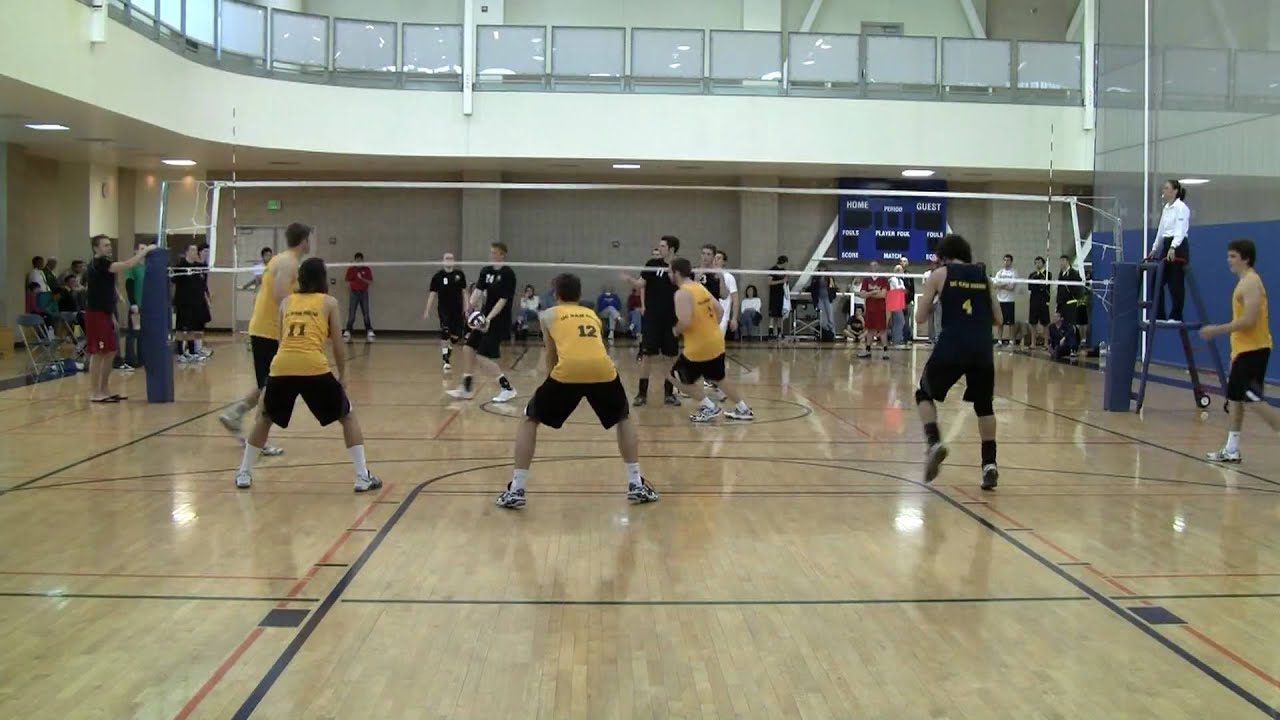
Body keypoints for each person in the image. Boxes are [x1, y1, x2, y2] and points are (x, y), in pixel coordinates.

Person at [495, 273, 657, 509]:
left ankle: (517, 489)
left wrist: (553, 384)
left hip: (568, 370)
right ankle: (635, 484)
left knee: (530, 419)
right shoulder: (592, 314)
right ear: (579, 295)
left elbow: (551, 354)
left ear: (555, 293)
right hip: (603, 369)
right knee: (623, 418)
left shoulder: (547, 315)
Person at [235, 257, 382, 493]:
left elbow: (283, 341)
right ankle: (362, 476)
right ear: (323, 278)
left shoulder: (286, 303)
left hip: (282, 364)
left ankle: (244, 473)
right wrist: (343, 375)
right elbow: (337, 343)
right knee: (348, 416)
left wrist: (272, 379)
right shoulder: (329, 302)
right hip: (313, 366)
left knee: (265, 417)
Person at [914, 234, 1002, 490]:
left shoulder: (940, 274)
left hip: (953, 344)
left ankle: (934, 443)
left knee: (923, 393)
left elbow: (919, 318)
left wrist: (934, 298)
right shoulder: (984, 277)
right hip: (982, 347)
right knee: (984, 406)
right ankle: (990, 464)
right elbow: (998, 319)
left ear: (943, 255)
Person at [219, 222, 311, 455]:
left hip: (265, 330)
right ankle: (255, 441)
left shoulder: (283, 260)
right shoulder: (288, 263)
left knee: (268, 385)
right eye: (308, 239)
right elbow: (281, 297)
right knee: (271, 389)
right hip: (268, 331)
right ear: (303, 240)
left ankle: (235, 414)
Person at [1200, 238, 1277, 464]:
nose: (1229, 261)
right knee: (1235, 399)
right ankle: (1232, 449)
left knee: (1252, 399)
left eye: (1233, 256)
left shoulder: (1251, 283)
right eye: (1228, 256)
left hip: (1255, 350)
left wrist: (1217, 329)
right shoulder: (1243, 282)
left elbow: (1249, 321)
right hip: (1243, 351)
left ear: (1246, 258)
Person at [668, 258, 755, 424]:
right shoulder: (699, 287)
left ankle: (709, 407)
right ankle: (743, 409)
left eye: (670, 271)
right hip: (715, 341)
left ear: (677, 273)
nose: (668, 274)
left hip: (698, 347)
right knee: (718, 378)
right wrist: (708, 329)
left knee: (674, 376)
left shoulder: (681, 293)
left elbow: (684, 321)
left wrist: (673, 331)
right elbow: (720, 311)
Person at [85, 235, 154, 403]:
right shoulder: (98, 264)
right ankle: (95, 392)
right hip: (96, 313)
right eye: (105, 245)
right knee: (99, 353)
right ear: (96, 248)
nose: (109, 247)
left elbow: (108, 288)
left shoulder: (105, 264)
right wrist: (144, 252)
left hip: (105, 312)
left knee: (111, 351)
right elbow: (128, 264)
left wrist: (112, 317)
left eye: (110, 245)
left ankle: (104, 389)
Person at [447, 243, 517, 403]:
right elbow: (478, 291)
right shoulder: (486, 271)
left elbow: (503, 300)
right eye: (491, 252)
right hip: (484, 318)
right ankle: (467, 388)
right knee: (468, 348)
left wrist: (489, 319)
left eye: (495, 253)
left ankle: (507, 388)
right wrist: (469, 309)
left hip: (499, 321)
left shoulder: (508, 274)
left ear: (502, 255)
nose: (491, 255)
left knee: (483, 357)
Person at [625, 236, 681, 407]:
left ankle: (669, 394)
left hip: (672, 319)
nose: (660, 248)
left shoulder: (680, 266)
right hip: (652, 319)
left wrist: (672, 271)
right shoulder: (651, 264)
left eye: (663, 246)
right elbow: (640, 284)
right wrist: (629, 279)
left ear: (671, 249)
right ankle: (641, 394)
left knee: (669, 358)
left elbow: (683, 284)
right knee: (647, 356)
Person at [1152, 179, 1191, 323]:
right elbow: (1161, 230)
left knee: (1176, 282)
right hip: (1167, 244)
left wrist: (1173, 247)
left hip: (1178, 245)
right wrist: (1155, 248)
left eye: (1167, 188)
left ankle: (1176, 315)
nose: (1164, 191)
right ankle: (1159, 315)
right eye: (1163, 188)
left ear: (1175, 191)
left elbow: (1180, 229)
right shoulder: (1166, 208)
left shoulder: (1181, 208)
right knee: (1157, 281)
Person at [423, 252, 467, 371]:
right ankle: (445, 359)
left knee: (455, 338)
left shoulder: (459, 275)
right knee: (445, 331)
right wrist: (427, 310)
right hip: (444, 309)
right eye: (446, 258)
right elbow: (432, 294)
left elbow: (464, 292)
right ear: (443, 261)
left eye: (451, 258)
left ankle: (449, 350)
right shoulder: (438, 276)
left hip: (457, 309)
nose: (449, 260)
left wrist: (467, 308)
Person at [172, 244, 210, 363]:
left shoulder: (198, 267)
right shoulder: (180, 266)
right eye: (192, 250)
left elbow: (203, 281)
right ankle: (179, 352)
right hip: (183, 303)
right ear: (187, 252)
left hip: (195, 303)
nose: (195, 252)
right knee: (181, 328)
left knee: (192, 329)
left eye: (195, 250)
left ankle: (192, 352)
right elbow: (173, 280)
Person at [857, 261, 890, 359]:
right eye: (871, 265)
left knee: (882, 329)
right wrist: (875, 292)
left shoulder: (883, 279)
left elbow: (883, 294)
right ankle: (867, 350)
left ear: (879, 266)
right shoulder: (866, 280)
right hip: (870, 309)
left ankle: (885, 351)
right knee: (870, 329)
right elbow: (862, 294)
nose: (873, 267)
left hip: (881, 309)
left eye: (875, 265)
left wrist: (869, 293)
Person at [343, 252, 375, 342]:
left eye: (360, 260)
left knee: (366, 312)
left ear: (362, 260)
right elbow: (346, 281)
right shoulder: (351, 269)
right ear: (355, 260)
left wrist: (361, 278)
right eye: (357, 260)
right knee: (352, 312)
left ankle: (369, 330)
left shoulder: (367, 269)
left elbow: (371, 282)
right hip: (354, 293)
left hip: (364, 293)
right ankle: (348, 330)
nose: (358, 262)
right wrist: (352, 287)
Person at [713, 250, 739, 340]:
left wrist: (734, 318)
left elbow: (735, 300)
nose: (716, 261)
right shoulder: (706, 275)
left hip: (722, 317)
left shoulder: (729, 277)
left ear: (724, 262)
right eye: (714, 258)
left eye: (719, 258)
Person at [994, 254, 1018, 346]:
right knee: (1000, 321)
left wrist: (1001, 284)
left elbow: (1011, 287)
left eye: (1008, 260)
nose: (1006, 262)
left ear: (1011, 262)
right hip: (1000, 300)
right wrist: (1004, 284)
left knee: (1010, 322)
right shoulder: (999, 273)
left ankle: (1012, 341)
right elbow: (994, 285)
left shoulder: (1014, 273)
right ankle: (999, 341)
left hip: (1009, 301)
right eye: (1004, 260)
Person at [1027, 256, 1051, 348]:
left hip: (1043, 300)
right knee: (1033, 322)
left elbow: (1044, 287)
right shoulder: (1032, 275)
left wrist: (1039, 284)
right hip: (1034, 300)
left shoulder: (1048, 274)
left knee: (1045, 323)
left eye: (1039, 262)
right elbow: (1030, 287)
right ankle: (1033, 343)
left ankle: (1046, 343)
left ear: (1043, 263)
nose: (1038, 264)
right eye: (1036, 262)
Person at [766, 255, 788, 339]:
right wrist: (781, 281)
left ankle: (779, 332)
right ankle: (770, 332)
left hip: (781, 294)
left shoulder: (784, 271)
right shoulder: (773, 270)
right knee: (772, 314)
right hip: (773, 294)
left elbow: (785, 282)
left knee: (780, 315)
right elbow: (769, 282)